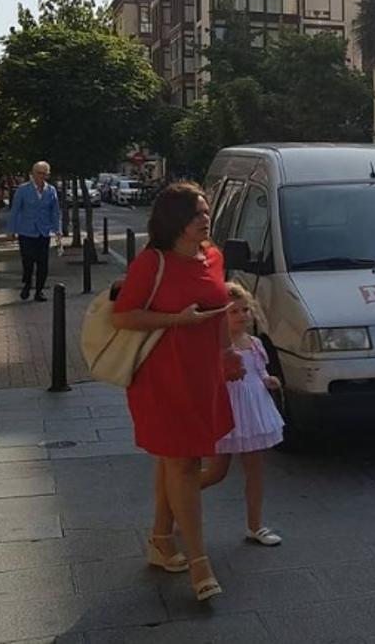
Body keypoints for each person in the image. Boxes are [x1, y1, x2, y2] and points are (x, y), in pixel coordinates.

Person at [110, 182, 242, 602]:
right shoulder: (154, 261)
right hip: (163, 376)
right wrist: (177, 321)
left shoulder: (213, 257)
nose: (206, 218)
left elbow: (221, 310)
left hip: (203, 374)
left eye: (206, 211)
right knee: (183, 462)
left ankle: (161, 540)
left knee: (178, 459)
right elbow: (123, 317)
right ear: (176, 221)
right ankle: (200, 563)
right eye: (198, 213)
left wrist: (227, 353)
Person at [200, 283, 284, 547]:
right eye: (233, 311)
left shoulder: (255, 343)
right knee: (216, 472)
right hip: (228, 411)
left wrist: (268, 380)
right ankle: (179, 502)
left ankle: (255, 525)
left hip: (253, 411)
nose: (242, 315)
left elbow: (260, 372)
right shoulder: (216, 346)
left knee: (255, 471)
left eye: (245, 309)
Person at [5, 162, 61, 301]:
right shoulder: (23, 190)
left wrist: (57, 230)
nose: (41, 176)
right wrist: (11, 230)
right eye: (39, 173)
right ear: (33, 173)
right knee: (28, 261)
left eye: (44, 173)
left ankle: (39, 291)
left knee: (43, 263)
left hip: (44, 231)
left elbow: (55, 212)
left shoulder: (51, 190)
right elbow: (15, 211)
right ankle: (27, 284)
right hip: (26, 231)